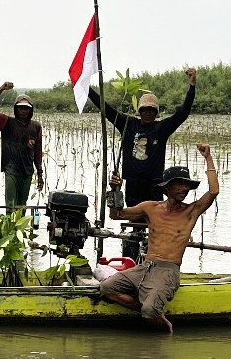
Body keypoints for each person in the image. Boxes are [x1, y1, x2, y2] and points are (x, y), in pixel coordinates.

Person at [100, 143, 218, 333]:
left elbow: (213, 192)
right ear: (167, 188)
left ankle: (164, 326)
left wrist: (208, 157)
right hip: (145, 267)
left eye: (186, 184)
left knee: (148, 311)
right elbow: (117, 215)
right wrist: (115, 191)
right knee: (106, 288)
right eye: (179, 184)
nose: (184, 188)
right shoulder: (151, 207)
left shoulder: (191, 211)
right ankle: (153, 311)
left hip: (167, 270)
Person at [89, 68, 198, 261]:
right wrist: (86, 88)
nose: (148, 113)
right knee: (133, 223)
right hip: (132, 184)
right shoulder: (128, 124)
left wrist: (192, 85)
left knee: (153, 224)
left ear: (156, 112)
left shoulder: (162, 128)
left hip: (154, 185)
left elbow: (183, 113)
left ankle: (152, 258)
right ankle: (130, 259)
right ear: (139, 111)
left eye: (152, 110)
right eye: (145, 109)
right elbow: (105, 108)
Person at [0, 81, 44, 210]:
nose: (23, 111)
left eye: (26, 108)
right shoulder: (7, 123)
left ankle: (20, 230)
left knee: (22, 204)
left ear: (30, 110)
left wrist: (40, 175)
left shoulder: (36, 127)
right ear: (16, 108)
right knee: (11, 205)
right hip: (11, 170)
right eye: (20, 108)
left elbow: (38, 153)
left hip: (27, 171)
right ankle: (10, 229)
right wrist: (1, 89)